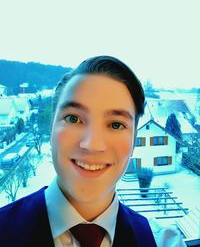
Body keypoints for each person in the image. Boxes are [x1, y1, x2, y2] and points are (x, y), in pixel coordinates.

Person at [0, 55, 186, 247]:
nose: (92, 144)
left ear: (133, 141)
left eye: (116, 124)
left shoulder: (165, 242)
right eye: (73, 119)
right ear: (51, 128)